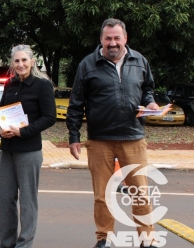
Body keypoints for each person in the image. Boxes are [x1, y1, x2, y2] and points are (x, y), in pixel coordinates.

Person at [66, 18, 159, 248]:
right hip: (99, 141)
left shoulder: (140, 61)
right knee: (102, 196)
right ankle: (104, 239)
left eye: (117, 38)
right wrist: (74, 137)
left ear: (125, 38)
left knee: (140, 193)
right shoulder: (87, 65)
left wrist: (151, 103)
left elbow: (147, 89)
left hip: (133, 138)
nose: (113, 43)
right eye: (108, 38)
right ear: (101, 40)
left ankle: (147, 239)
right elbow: (76, 103)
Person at [0, 44, 56, 248]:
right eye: (16, 61)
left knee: (28, 201)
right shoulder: (9, 85)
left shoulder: (42, 85)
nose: (20, 64)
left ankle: (24, 243)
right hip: (8, 149)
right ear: (12, 63)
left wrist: (24, 131)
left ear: (32, 61)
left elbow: (49, 117)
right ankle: (6, 242)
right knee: (5, 199)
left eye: (24, 60)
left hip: (29, 150)